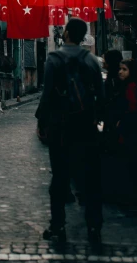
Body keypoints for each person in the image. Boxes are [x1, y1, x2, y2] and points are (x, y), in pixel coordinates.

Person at [36, 18, 104, 245]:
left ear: (65, 33)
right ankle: (94, 226)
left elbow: (46, 95)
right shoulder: (92, 61)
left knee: (60, 177)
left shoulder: (54, 59)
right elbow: (100, 97)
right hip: (86, 126)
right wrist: (98, 120)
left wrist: (42, 120)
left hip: (61, 126)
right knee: (90, 179)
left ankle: (57, 226)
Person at [115, 59, 137, 206]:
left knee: (130, 161)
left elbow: (132, 108)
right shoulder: (127, 85)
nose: (120, 72)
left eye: (124, 69)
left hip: (130, 130)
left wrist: (122, 122)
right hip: (130, 129)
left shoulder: (131, 86)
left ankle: (132, 198)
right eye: (120, 69)